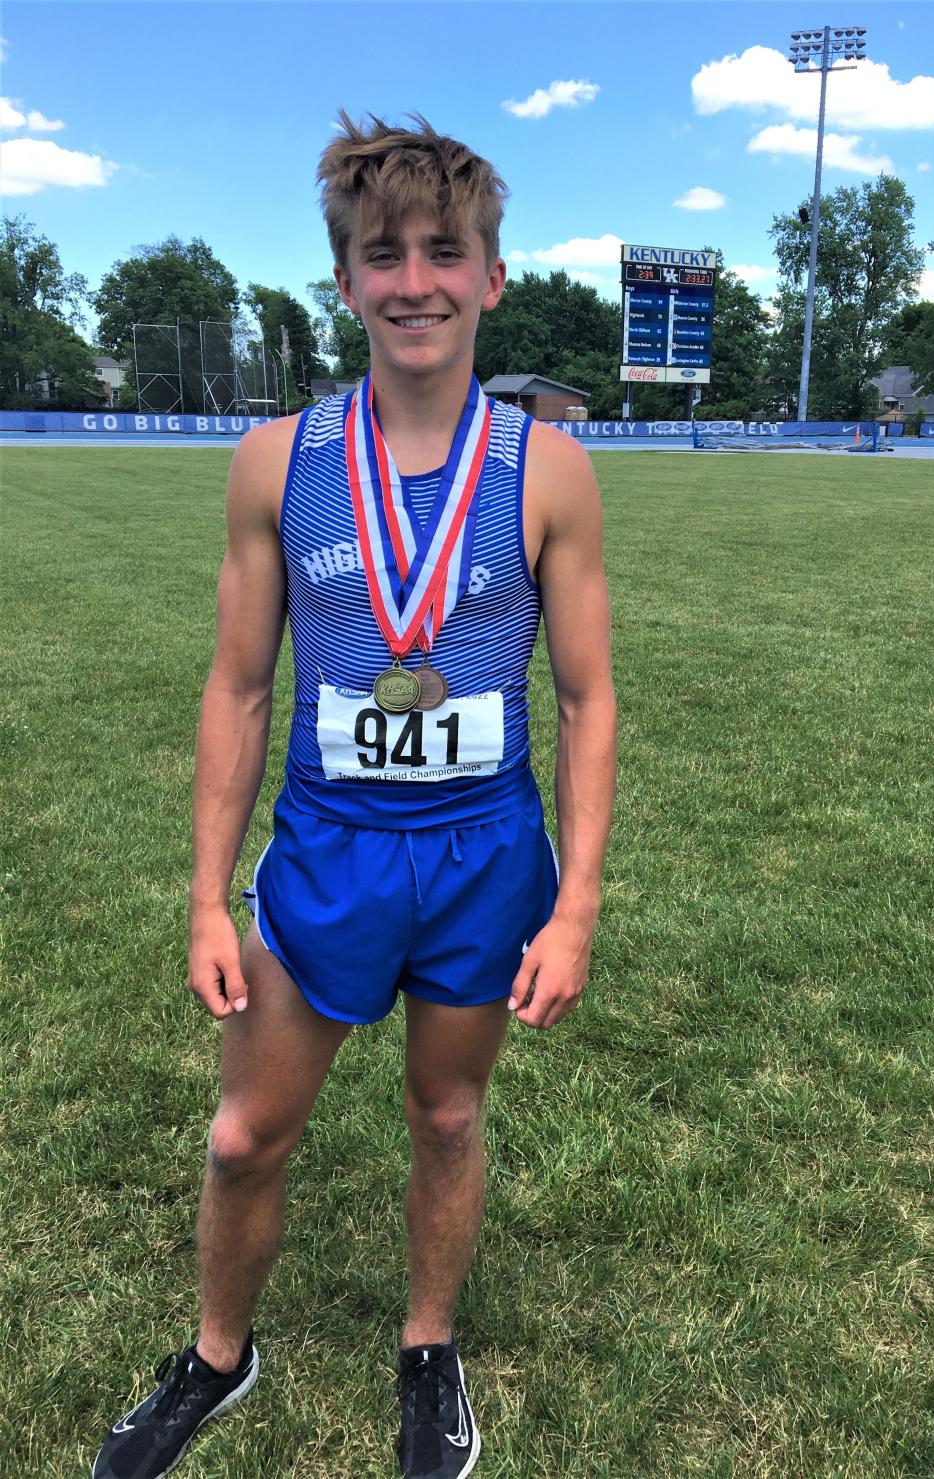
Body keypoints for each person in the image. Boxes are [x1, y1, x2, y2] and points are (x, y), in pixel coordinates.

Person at [93, 110, 616, 1479]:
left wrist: (574, 909)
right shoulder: (278, 460)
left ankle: (428, 1348)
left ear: (492, 277)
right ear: (347, 284)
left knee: (447, 1116)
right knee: (244, 1134)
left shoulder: (548, 469)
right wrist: (206, 896)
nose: (415, 281)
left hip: (485, 853)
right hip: (328, 853)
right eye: (383, 256)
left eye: (446, 252)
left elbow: (584, 699)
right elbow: (239, 688)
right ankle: (220, 1354)